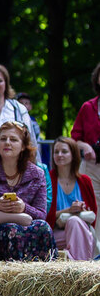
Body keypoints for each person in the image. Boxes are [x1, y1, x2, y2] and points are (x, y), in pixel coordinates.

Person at [0, 121, 57, 262]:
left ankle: (45, 277)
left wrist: (24, 207)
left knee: (43, 227)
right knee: (12, 230)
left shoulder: (37, 174)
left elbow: (41, 214)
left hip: (26, 225)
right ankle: (15, 279)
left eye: (13, 139)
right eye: (3, 139)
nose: (7, 143)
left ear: (23, 146)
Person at [46, 137, 97, 261]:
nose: (59, 155)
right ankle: (80, 270)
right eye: (56, 152)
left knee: (75, 223)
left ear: (73, 154)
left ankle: (75, 267)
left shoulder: (85, 181)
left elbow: (93, 214)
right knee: (74, 222)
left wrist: (82, 209)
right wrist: (68, 211)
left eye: (64, 151)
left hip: (81, 230)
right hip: (56, 233)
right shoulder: (47, 179)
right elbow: (45, 215)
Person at [70, 61, 100, 214]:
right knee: (93, 207)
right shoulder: (88, 107)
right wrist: (86, 146)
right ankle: (94, 239)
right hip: (91, 165)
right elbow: (74, 137)